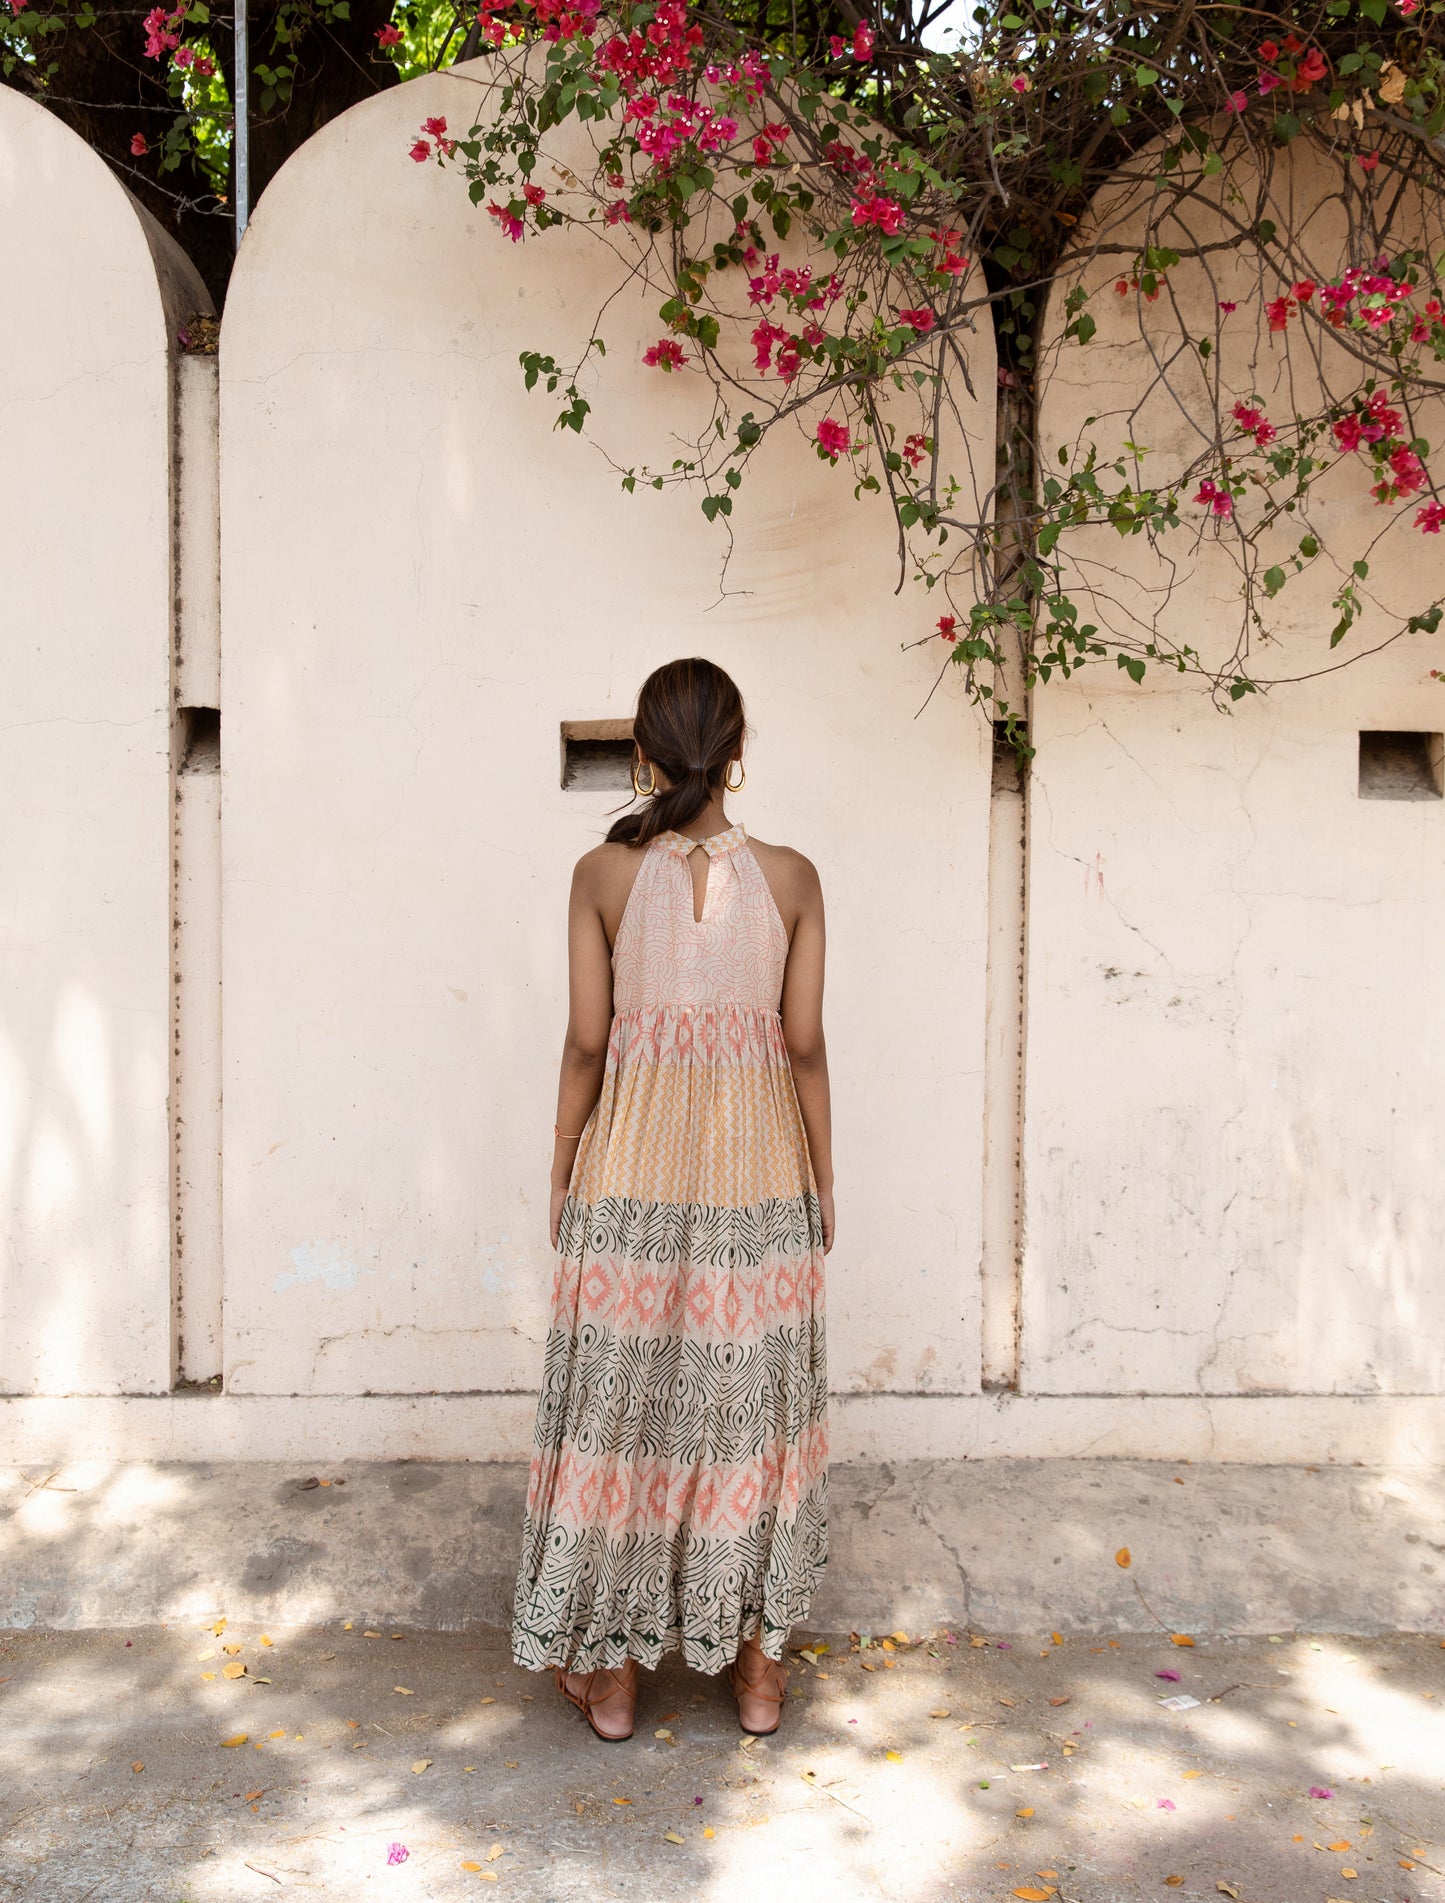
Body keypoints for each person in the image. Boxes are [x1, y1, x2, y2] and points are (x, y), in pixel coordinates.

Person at [510, 656, 834, 1741]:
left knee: (620, 1410)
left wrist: (561, 1157)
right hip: (757, 1176)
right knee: (751, 1417)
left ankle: (609, 1679)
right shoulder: (792, 878)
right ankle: (754, 1677)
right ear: (738, 751)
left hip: (633, 1169)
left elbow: (587, 1039)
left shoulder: (602, 874)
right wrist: (821, 1179)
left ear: (642, 754)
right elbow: (803, 1047)